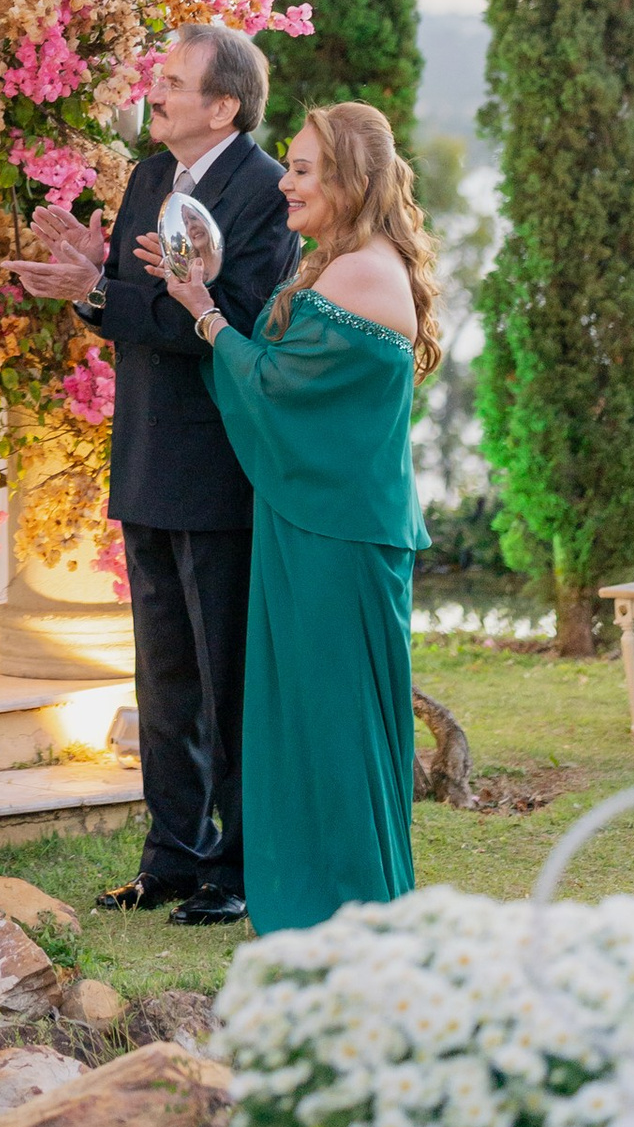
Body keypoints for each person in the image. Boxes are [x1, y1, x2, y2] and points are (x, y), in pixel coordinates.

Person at [9, 23, 294, 927]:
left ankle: (238, 866)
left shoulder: (266, 193)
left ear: (224, 105)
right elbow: (137, 315)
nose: (156, 91)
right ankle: (169, 857)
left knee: (226, 679)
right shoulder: (146, 179)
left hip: (219, 465)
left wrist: (98, 294)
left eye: (174, 82)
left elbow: (227, 322)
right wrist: (92, 272)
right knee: (162, 677)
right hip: (145, 454)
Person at [157, 99, 434, 936]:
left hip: (337, 532)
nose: (286, 182)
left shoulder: (357, 271)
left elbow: (280, 388)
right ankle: (336, 893)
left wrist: (203, 313)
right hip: (315, 519)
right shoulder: (338, 263)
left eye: (304, 168)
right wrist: (207, 295)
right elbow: (279, 370)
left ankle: (348, 901)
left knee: (334, 716)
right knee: (311, 712)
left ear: (351, 178)